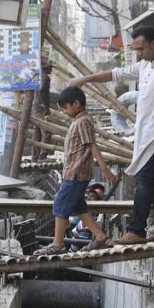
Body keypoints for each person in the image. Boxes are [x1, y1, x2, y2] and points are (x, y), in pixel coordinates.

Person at [71, 26, 154, 244]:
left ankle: (137, 229)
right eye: (136, 49)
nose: (139, 52)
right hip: (144, 133)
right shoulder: (144, 65)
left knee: (145, 179)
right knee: (149, 179)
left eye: (142, 48)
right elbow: (115, 73)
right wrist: (85, 79)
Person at [33, 86, 116, 256]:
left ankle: (58, 244)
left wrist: (105, 168)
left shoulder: (83, 121)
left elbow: (92, 145)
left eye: (65, 107)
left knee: (60, 204)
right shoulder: (79, 120)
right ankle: (100, 237)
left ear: (76, 104)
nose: (64, 111)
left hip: (76, 173)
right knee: (79, 207)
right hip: (73, 172)